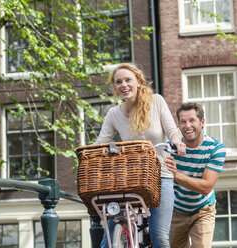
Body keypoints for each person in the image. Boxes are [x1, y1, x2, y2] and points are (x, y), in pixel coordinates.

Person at [95, 63, 186, 248]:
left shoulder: (156, 102)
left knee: (159, 237)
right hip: (130, 178)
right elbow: (100, 143)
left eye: (128, 80)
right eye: (118, 82)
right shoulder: (114, 114)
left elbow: (172, 130)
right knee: (107, 240)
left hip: (160, 175)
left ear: (138, 81)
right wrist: (89, 154)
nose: (123, 85)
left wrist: (177, 141)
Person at [165, 102, 226, 248]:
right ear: (178, 125)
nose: (187, 126)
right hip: (176, 210)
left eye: (192, 120)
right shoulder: (170, 148)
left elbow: (206, 187)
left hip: (202, 210)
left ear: (202, 122)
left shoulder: (215, 149)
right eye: (183, 122)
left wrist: (176, 175)